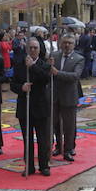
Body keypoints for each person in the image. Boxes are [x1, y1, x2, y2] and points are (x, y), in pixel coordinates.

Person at [11, 37, 51, 176]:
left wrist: (32, 67)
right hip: (24, 106)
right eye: (30, 48)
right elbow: (12, 84)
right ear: (26, 49)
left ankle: (44, 165)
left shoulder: (44, 64)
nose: (33, 50)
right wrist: (21, 87)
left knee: (42, 139)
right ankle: (29, 166)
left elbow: (45, 78)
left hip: (40, 106)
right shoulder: (19, 64)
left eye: (35, 48)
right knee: (27, 139)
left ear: (39, 50)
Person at [50, 33, 85, 163]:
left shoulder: (78, 58)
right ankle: (58, 146)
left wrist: (57, 73)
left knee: (69, 125)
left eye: (69, 43)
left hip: (69, 95)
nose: (66, 45)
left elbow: (75, 76)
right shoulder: (54, 56)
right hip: (54, 94)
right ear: (60, 43)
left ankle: (69, 149)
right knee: (55, 123)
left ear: (73, 45)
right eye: (64, 42)